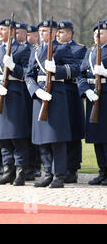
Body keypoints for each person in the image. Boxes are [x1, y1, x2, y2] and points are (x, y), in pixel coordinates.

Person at [25, 19, 77, 188]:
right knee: (43, 139)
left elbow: (76, 68)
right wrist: (36, 90)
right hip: (40, 96)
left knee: (57, 139)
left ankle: (59, 175)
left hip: (57, 95)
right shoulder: (36, 51)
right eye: (40, 31)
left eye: (46, 31)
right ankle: (47, 172)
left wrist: (57, 70)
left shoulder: (63, 48)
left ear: (54, 33)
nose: (42, 34)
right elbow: (29, 75)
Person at [0, 18, 32, 186]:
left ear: (12, 32)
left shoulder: (22, 49)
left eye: (4, 29)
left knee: (17, 137)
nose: (1, 32)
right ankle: (7, 171)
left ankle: (20, 172)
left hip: (14, 95)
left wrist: (13, 67)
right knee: (2, 137)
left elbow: (27, 73)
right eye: (0, 29)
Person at [56, 21, 86, 183]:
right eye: (58, 32)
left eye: (62, 32)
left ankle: (72, 168)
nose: (59, 35)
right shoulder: (52, 48)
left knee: (73, 131)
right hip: (57, 94)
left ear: (70, 33)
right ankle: (60, 167)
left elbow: (78, 69)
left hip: (72, 93)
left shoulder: (79, 49)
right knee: (60, 131)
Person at [77, 21, 107, 186]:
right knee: (96, 137)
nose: (97, 36)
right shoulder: (90, 52)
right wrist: (85, 91)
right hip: (92, 98)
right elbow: (80, 74)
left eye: (101, 33)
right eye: (95, 33)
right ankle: (102, 171)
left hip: (106, 98)